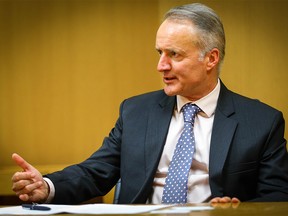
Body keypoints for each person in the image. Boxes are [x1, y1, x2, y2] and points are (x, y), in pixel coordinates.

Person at [11, 3, 288, 205]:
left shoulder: (261, 122)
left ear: (211, 59)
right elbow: (95, 172)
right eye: (159, 53)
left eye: (174, 54)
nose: (160, 65)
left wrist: (239, 211)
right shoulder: (135, 112)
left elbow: (277, 197)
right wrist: (46, 186)